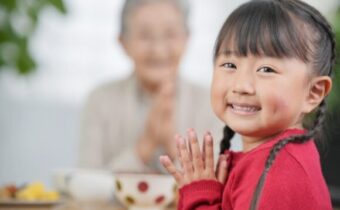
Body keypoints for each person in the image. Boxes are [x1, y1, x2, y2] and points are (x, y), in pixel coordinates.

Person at [160, 0, 335, 209]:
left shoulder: (280, 170)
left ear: (313, 93)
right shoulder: (273, 158)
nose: (242, 85)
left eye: (266, 69)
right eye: (229, 65)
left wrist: (199, 197)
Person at [78, 0, 236, 173]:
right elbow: (86, 181)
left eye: (170, 34)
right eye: (145, 36)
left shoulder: (212, 103)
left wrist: (172, 147)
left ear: (187, 39)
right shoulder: (100, 100)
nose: (158, 50)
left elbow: (215, 185)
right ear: (123, 42)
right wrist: (145, 145)